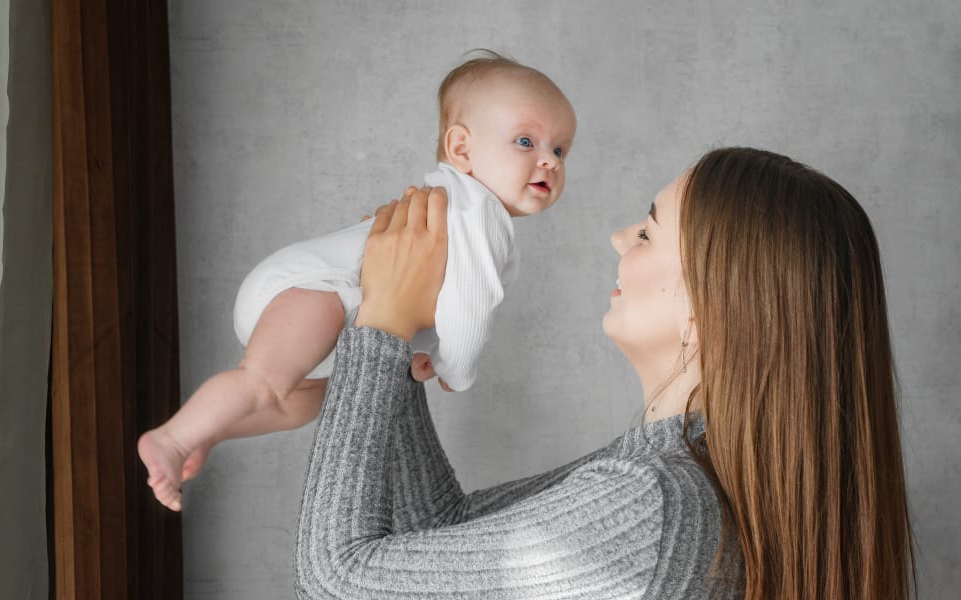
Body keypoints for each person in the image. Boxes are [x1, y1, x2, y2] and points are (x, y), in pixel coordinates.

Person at [294, 147, 915, 599]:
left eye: (648, 231)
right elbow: (444, 535)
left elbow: (332, 582)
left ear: (706, 314)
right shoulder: (683, 471)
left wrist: (380, 325)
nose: (620, 238)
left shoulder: (654, 506)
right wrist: (402, 334)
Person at [138, 51, 577, 511]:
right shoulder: (477, 210)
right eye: (526, 141)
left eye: (560, 150)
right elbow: (468, 304)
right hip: (316, 290)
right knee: (265, 382)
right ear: (462, 149)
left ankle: (207, 428)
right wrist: (456, 368)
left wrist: (425, 352)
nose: (549, 161)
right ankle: (170, 438)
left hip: (324, 312)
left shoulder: (463, 206)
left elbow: (429, 298)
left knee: (301, 403)